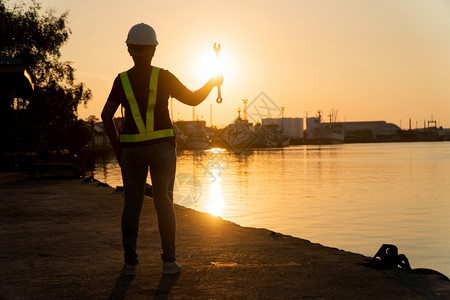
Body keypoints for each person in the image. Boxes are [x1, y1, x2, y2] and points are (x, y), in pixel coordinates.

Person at [101, 23, 223, 276]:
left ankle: (129, 265)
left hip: (131, 152)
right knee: (164, 204)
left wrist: (118, 148)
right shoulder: (163, 76)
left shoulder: (121, 80)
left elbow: (106, 116)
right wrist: (212, 83)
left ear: (129, 49)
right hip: (162, 151)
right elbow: (192, 99)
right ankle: (169, 263)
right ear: (154, 50)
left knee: (131, 206)